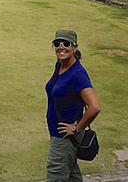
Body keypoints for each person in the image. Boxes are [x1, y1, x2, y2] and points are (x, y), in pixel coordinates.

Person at [45, 30, 102, 182]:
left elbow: (95, 106)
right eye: (57, 44)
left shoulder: (77, 74)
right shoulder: (60, 65)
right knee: (72, 175)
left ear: (75, 48)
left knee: (55, 175)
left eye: (66, 44)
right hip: (59, 134)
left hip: (63, 137)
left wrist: (76, 128)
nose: (61, 47)